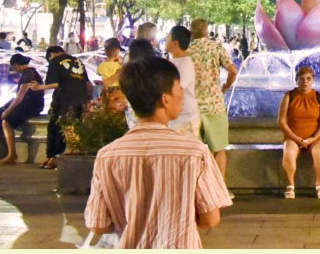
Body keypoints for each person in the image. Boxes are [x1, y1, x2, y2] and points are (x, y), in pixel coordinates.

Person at [83, 56, 232, 248]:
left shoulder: (107, 156)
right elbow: (210, 220)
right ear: (165, 98)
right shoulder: (195, 153)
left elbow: (98, 224)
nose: (183, 93)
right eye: (179, 88)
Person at [188, 18, 239, 183]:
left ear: (191, 32)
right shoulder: (216, 47)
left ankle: (204, 189)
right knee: (219, 148)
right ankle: (220, 188)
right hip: (214, 105)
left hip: (192, 108)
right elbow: (233, 71)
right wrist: (224, 88)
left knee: (200, 151)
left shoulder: (185, 50)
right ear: (206, 31)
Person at [34, 45, 92, 169]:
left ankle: (55, 157)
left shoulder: (55, 61)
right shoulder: (78, 61)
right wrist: (88, 101)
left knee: (60, 126)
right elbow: (87, 83)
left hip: (66, 99)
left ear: (52, 55)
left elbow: (54, 84)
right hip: (79, 99)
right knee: (54, 125)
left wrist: (39, 87)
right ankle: (51, 156)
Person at [278, 66, 320, 199]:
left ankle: (319, 185)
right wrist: (295, 138)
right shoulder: (289, 96)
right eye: (301, 79)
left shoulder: (319, 97)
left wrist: (313, 138)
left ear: (313, 80)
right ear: (296, 80)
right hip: (293, 137)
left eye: (308, 79)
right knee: (288, 152)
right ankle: (290, 185)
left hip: (314, 138)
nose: (305, 82)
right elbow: (282, 121)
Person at [0, 53, 45, 164]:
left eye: (12, 67)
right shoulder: (29, 72)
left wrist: (7, 111)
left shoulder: (29, 73)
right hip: (25, 103)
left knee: (6, 122)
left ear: (16, 65)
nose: (13, 70)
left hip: (31, 104)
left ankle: (12, 154)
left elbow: (20, 96)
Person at [164, 26, 200, 139]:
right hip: (176, 114)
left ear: (175, 43)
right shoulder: (174, 61)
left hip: (185, 115)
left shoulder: (185, 63)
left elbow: (175, 89)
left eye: (167, 38)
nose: (165, 40)